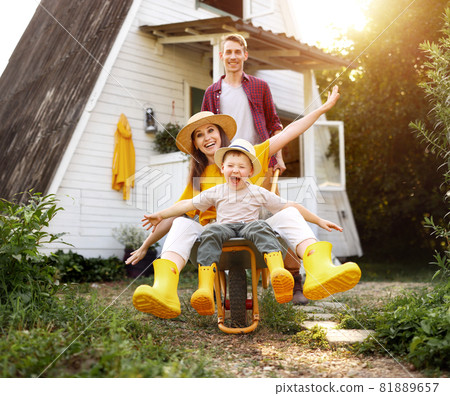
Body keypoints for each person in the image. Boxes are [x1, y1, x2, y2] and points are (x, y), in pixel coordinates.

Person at [129, 85, 361, 320]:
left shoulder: (251, 154)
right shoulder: (199, 179)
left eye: (210, 130)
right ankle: (164, 291)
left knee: (289, 212)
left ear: (220, 133)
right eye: (199, 135)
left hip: (254, 228)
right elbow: (175, 213)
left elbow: (290, 132)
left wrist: (322, 109)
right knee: (181, 223)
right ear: (196, 145)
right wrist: (146, 244)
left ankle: (319, 270)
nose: (207, 137)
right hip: (215, 233)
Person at [140, 139, 344, 316]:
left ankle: (294, 271)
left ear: (251, 171)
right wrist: (161, 214)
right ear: (222, 168)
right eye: (230, 165)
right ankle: (171, 290)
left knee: (276, 219)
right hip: (223, 231)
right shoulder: (216, 191)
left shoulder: (257, 192)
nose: (236, 170)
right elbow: (187, 205)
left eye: (241, 166)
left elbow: (291, 206)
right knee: (184, 222)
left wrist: (318, 220)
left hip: (250, 230)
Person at [201, 33, 305, 304]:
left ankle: (293, 281)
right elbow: (205, 129)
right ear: (222, 56)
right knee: (221, 218)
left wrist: (278, 154)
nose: (233, 56)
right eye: (228, 52)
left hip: (259, 162)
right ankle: (214, 281)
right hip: (226, 166)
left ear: (245, 55)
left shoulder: (259, 86)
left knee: (280, 218)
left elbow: (274, 124)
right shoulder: (213, 92)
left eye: (238, 52)